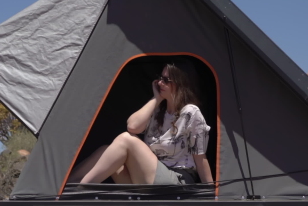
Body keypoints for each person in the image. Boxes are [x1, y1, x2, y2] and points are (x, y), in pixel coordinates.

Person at [68, 62, 213, 185]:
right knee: (105, 151)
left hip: (175, 181)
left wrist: (213, 196)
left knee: (126, 139)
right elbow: (133, 126)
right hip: (150, 176)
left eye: (167, 80)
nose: (160, 83)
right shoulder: (158, 111)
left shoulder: (190, 112)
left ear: (181, 84)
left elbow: (200, 158)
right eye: (160, 78)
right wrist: (156, 99)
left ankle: (81, 189)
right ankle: (64, 188)